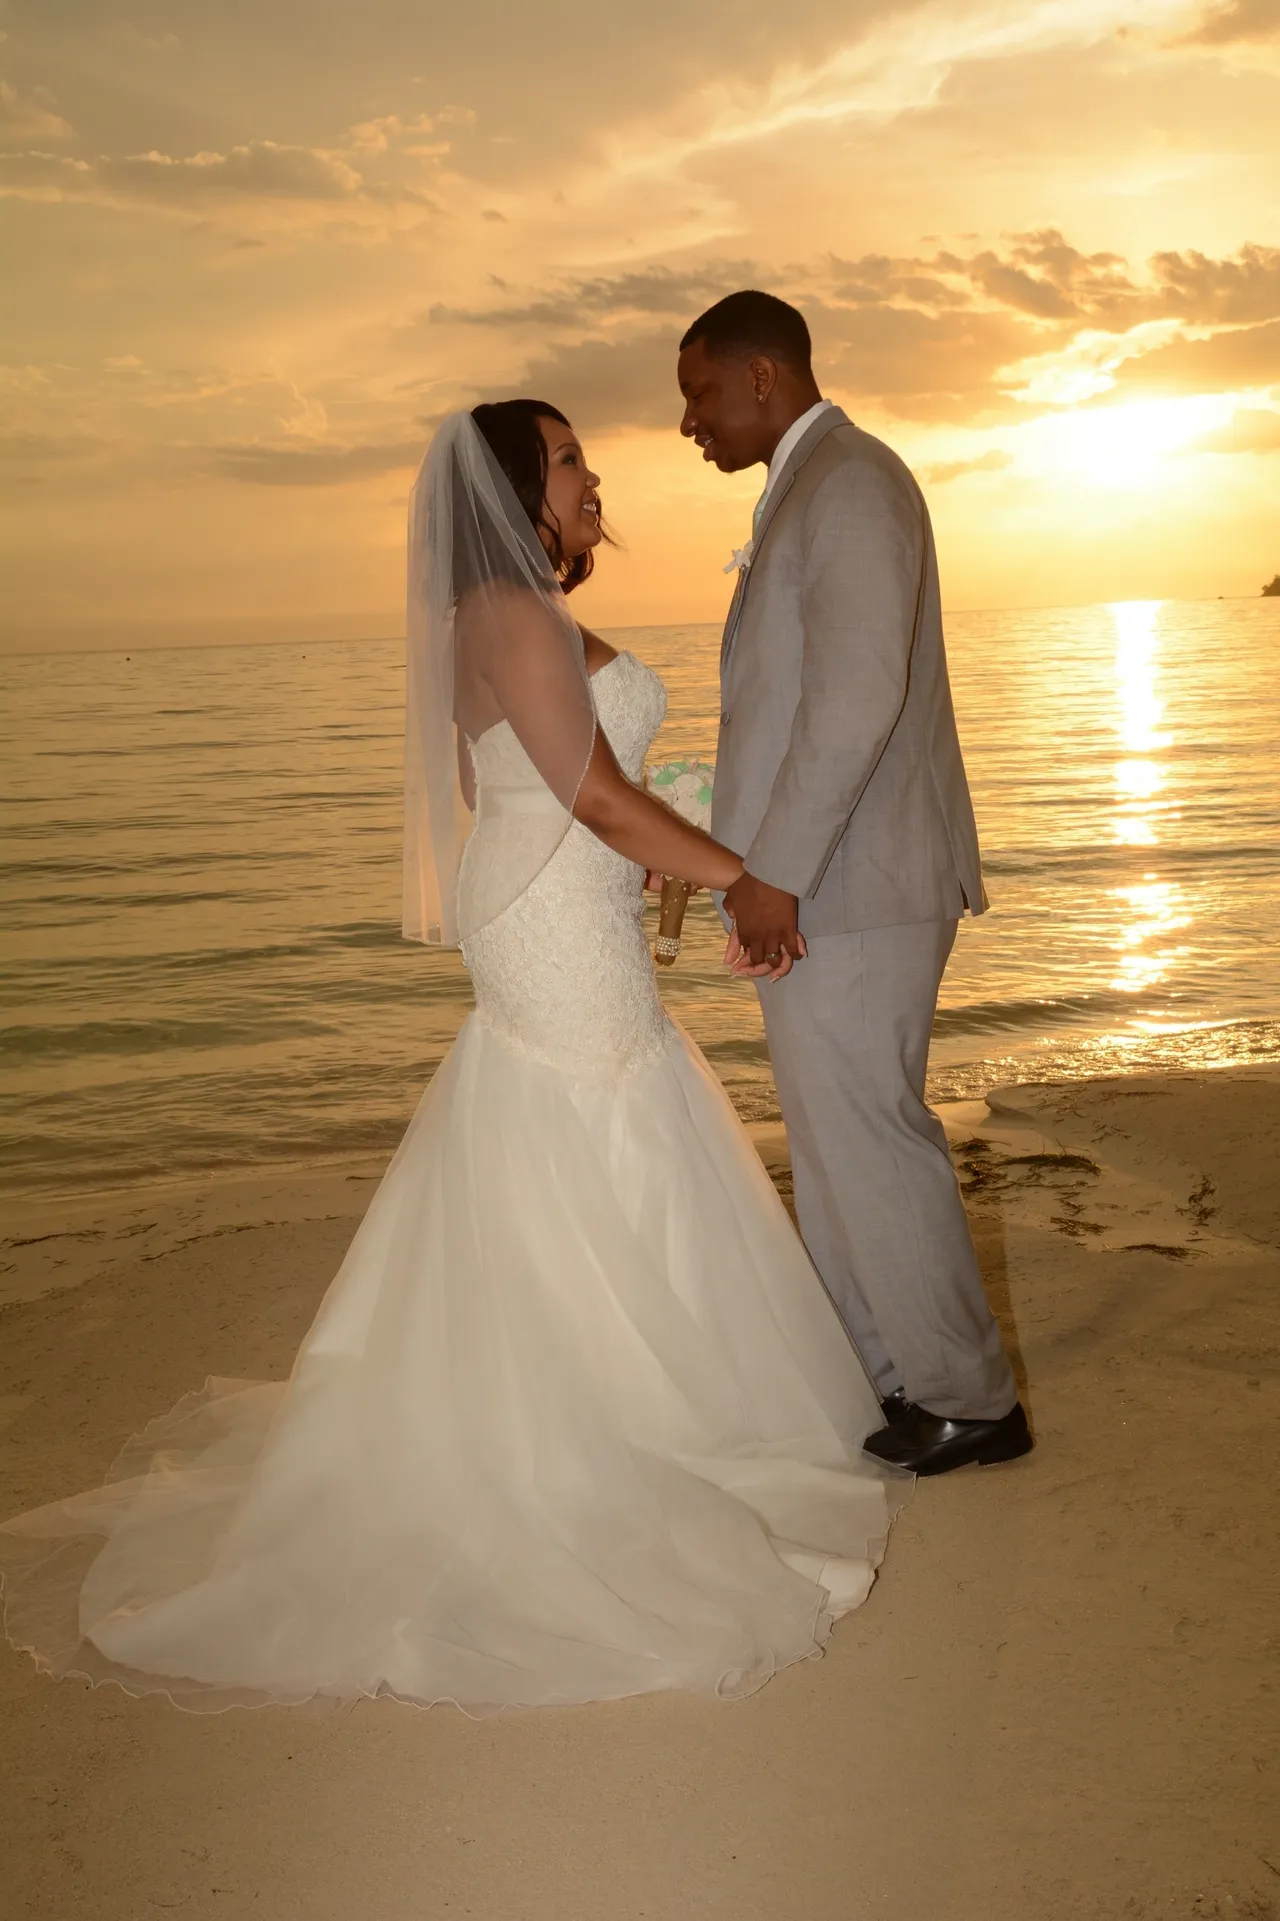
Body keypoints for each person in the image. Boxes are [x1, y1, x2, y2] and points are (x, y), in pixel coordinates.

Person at [0, 400, 905, 1716]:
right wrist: (743, 880)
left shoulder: (496, 615)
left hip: (555, 895)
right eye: (571, 459)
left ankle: (651, 1397)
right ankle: (592, 1424)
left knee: (603, 1118)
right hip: (548, 912)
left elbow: (519, 795)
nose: (595, 476)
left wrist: (640, 862)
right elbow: (591, 793)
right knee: (588, 1116)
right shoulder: (509, 613)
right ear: (515, 490)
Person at [677, 291, 1033, 1477]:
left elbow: (854, 697)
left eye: (699, 390)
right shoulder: (814, 484)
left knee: (869, 1136)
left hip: (855, 881)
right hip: (831, 878)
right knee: (832, 1142)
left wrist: (770, 872)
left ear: (763, 376)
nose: (690, 420)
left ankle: (968, 1397)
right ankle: (896, 1375)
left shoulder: (852, 484)